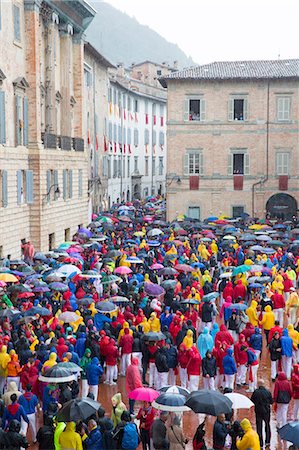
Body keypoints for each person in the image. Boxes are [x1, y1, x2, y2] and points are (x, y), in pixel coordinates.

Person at [251, 379, 273, 448]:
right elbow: (271, 401)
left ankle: (260, 442)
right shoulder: (267, 392)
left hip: (258, 411)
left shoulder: (256, 392)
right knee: (267, 425)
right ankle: (268, 441)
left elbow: (252, 401)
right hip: (266, 411)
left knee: (259, 427)